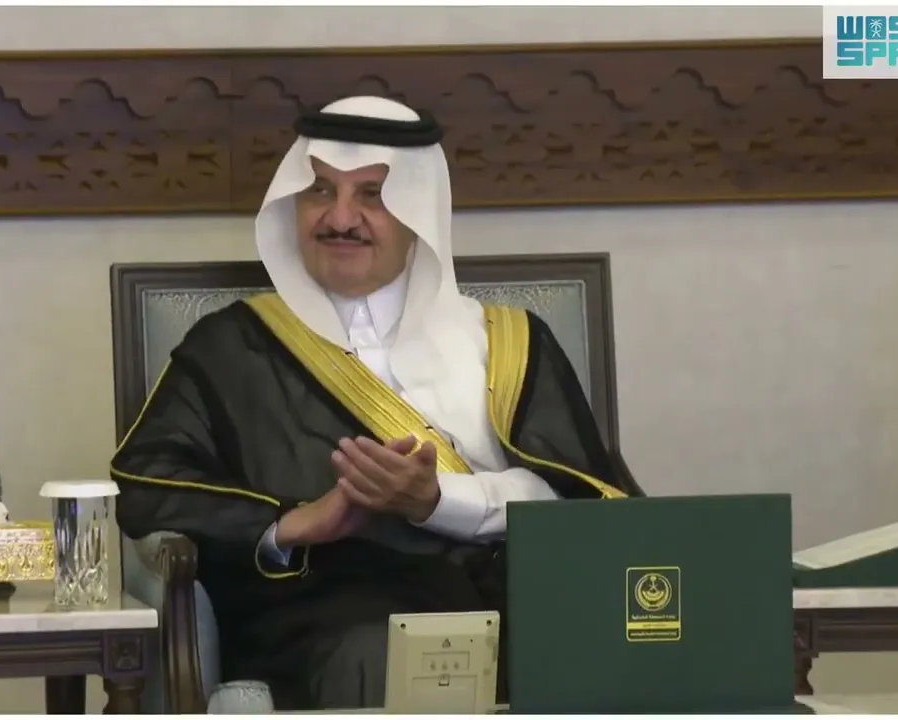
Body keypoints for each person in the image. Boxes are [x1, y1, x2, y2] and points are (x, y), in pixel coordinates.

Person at [110, 95, 644, 711]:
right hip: (326, 607)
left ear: (418, 212)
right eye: (319, 191)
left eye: (373, 195)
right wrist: (288, 523)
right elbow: (144, 483)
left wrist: (439, 501)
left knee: (620, 631)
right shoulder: (232, 347)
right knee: (379, 651)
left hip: (510, 590)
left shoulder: (510, 342)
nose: (340, 218)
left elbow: (587, 505)